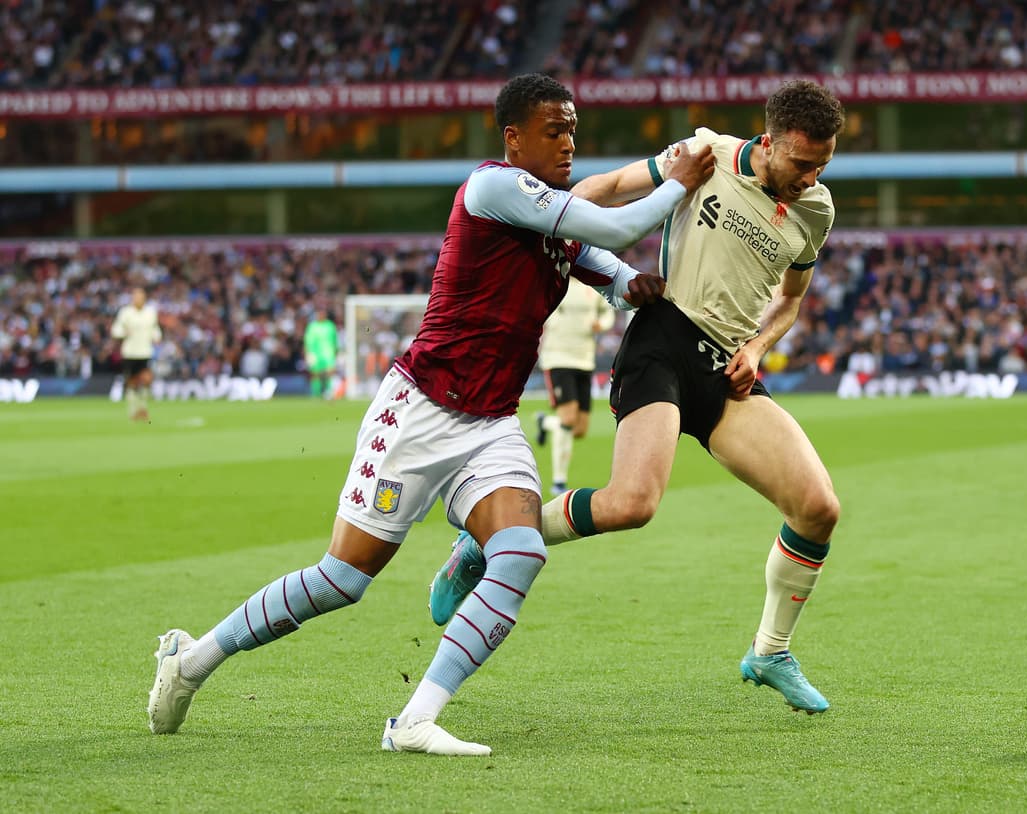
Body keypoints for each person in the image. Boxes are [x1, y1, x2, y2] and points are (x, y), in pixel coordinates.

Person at [146, 73, 715, 756]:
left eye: (573, 130)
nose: (569, 143)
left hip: (490, 423)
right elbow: (620, 224)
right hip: (419, 410)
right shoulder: (493, 187)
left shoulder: (557, 226)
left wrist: (637, 286)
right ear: (513, 138)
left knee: (521, 552)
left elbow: (615, 272)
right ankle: (191, 660)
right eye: (554, 130)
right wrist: (676, 181)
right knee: (342, 580)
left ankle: (414, 720)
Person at [431, 80, 845, 714]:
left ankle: (770, 652)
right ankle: (484, 543)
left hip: (726, 368)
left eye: (823, 164)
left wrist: (759, 347)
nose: (810, 177)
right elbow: (609, 187)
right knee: (632, 504)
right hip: (663, 342)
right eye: (802, 163)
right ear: (768, 142)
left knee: (818, 508)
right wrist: (552, 224)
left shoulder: (816, 209)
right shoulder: (706, 152)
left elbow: (790, 299)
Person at [534, 275, 615, 495]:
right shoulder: (554, 282)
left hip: (584, 360)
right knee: (568, 419)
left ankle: (545, 423)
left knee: (579, 429)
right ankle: (559, 481)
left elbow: (607, 312)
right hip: (558, 358)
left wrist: (602, 324)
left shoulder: (593, 286)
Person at [111, 286, 161, 421]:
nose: (138, 299)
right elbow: (116, 329)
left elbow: (155, 328)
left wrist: (157, 336)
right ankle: (133, 410)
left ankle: (143, 408)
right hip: (130, 352)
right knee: (132, 382)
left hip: (145, 352)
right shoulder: (125, 312)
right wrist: (123, 333)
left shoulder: (150, 312)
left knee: (146, 380)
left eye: (140, 297)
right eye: (135, 296)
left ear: (144, 298)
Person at [304, 309, 340, 398]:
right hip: (315, 354)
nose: (320, 315)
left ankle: (328, 391)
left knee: (329, 372)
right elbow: (307, 341)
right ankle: (316, 392)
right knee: (315, 373)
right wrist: (307, 353)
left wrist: (336, 351)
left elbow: (335, 340)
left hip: (328, 353)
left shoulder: (330, 326)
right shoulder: (312, 326)